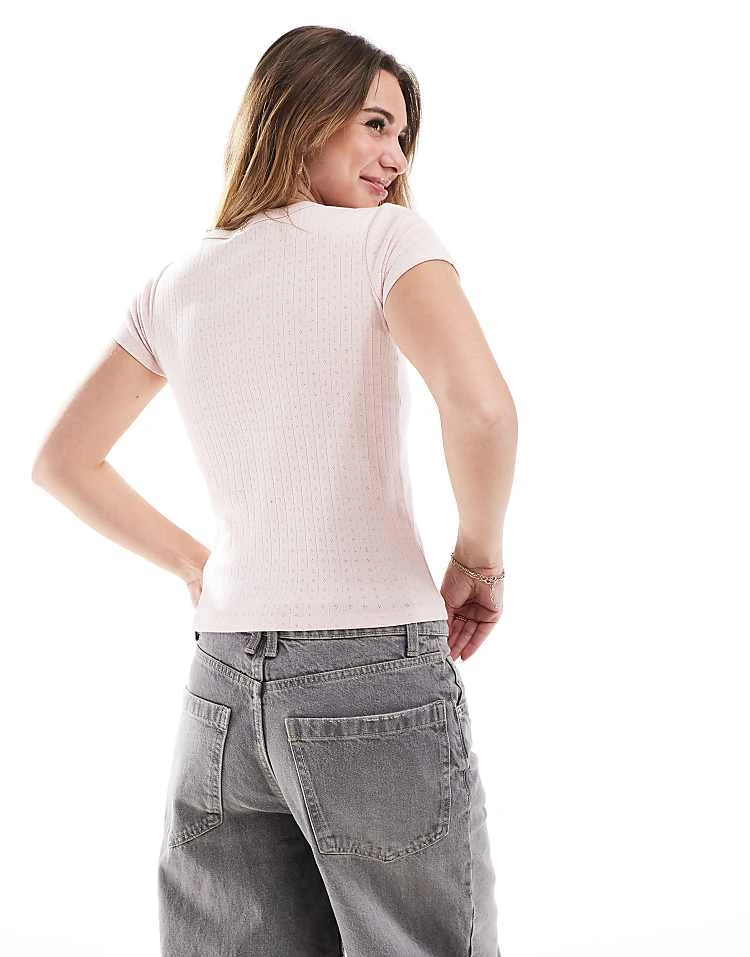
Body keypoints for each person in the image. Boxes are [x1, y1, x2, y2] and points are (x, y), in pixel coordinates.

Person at [31, 24, 517, 957]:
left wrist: (197, 564)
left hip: (221, 683)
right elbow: (484, 408)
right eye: (375, 124)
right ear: (300, 113)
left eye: (403, 136)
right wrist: (479, 559)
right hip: (371, 668)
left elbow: (64, 460)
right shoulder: (386, 242)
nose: (395, 157)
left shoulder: (179, 281)